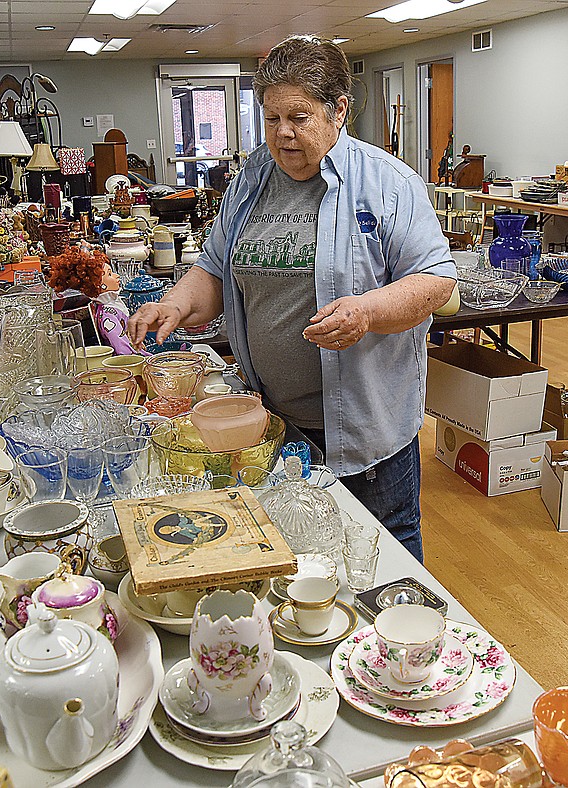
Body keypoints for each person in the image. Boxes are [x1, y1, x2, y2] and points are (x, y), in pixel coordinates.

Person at [128, 35, 456, 562]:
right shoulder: (252, 179)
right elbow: (213, 268)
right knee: (294, 562)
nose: (282, 134)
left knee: (380, 567)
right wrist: (176, 303)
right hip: (272, 427)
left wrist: (366, 311)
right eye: (271, 116)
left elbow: (436, 282)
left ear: (339, 110)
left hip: (363, 437)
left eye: (299, 117)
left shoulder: (387, 184)